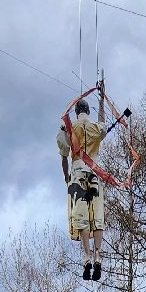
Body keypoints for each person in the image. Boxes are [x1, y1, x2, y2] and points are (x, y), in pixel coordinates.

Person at [57, 98, 106, 281]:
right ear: (88, 111)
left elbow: (64, 157)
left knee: (82, 216)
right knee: (97, 216)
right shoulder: (96, 128)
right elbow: (103, 122)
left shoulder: (69, 128)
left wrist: (66, 177)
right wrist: (101, 101)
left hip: (77, 172)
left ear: (76, 112)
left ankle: (87, 256)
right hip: (94, 172)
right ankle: (98, 256)